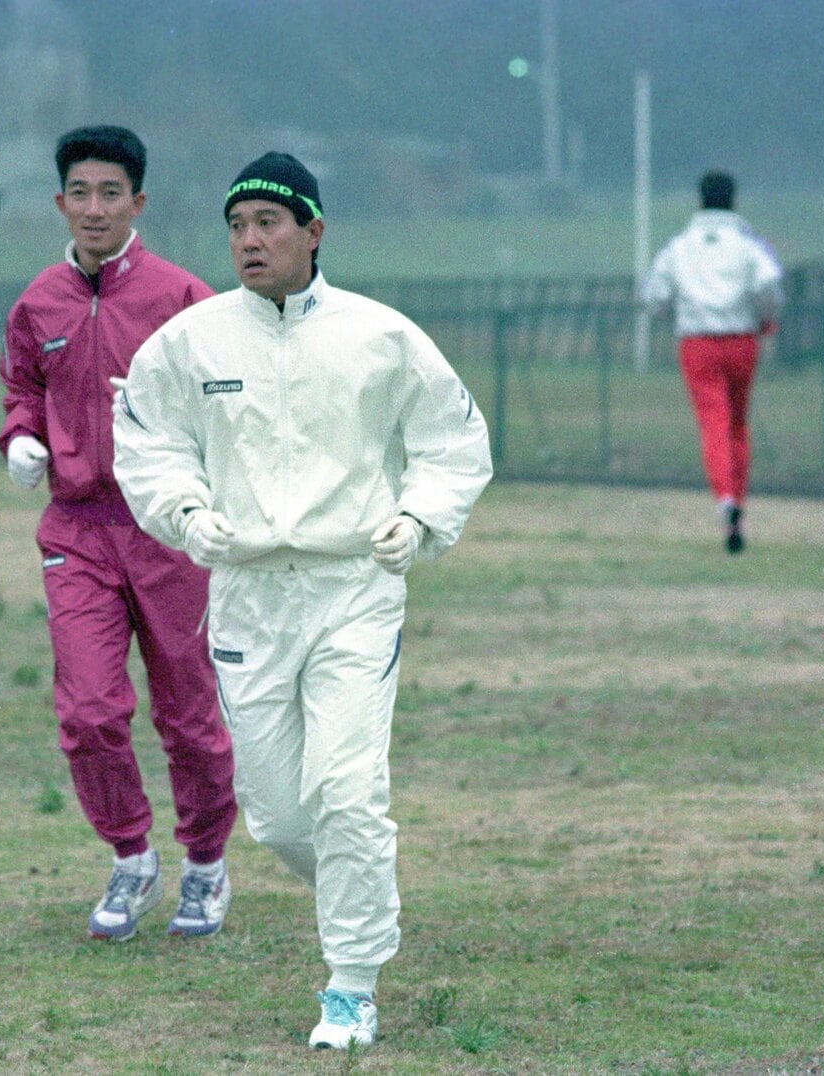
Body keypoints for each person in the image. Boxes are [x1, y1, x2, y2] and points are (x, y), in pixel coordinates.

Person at [112, 151, 492, 1049]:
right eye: (238, 227)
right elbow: (147, 441)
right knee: (282, 813)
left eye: (269, 225)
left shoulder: (379, 336)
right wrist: (186, 515)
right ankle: (366, 892)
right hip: (248, 596)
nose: (250, 241)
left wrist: (419, 517)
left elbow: (455, 441)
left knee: (347, 793)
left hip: (353, 589)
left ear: (313, 232)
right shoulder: (194, 340)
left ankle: (351, 986)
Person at [0, 125, 237, 942]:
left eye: (110, 193)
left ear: (138, 202)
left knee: (188, 711)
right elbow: (21, 389)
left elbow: (228, 403)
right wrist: (21, 437)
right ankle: (131, 858)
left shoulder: (183, 300)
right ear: (60, 202)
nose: (93, 208)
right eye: (79, 193)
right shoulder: (38, 302)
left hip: (168, 532)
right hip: (77, 530)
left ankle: (206, 863)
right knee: (92, 711)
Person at [640, 169, 784, 553]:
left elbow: (653, 296)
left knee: (713, 424)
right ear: (733, 200)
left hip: (698, 344)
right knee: (738, 424)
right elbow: (769, 283)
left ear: (700, 200)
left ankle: (725, 498)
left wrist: (671, 310)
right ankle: (739, 499)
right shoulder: (748, 244)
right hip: (741, 341)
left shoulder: (679, 246)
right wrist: (765, 316)